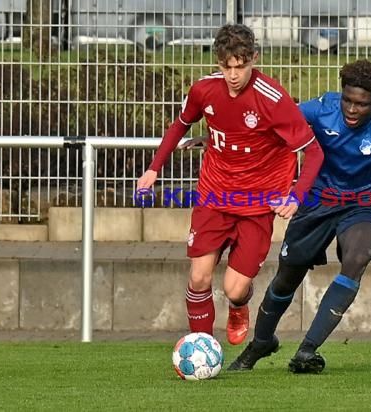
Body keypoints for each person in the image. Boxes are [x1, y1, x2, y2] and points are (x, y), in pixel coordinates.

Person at [227, 59, 371, 373]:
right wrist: (218, 143)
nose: (351, 109)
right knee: (287, 277)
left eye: (361, 104)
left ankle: (307, 350)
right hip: (317, 201)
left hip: (364, 205)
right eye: (347, 99)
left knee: (358, 256)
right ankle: (262, 342)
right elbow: (272, 122)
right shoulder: (321, 109)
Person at [136, 24, 324, 346]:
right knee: (198, 277)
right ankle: (203, 347)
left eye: (241, 66)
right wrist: (154, 170)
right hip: (214, 194)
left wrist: (295, 196)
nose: (233, 74)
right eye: (226, 66)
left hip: (258, 202)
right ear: (218, 62)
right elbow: (179, 126)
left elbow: (314, 151)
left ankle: (239, 306)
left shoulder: (273, 99)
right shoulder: (204, 90)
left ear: (254, 58)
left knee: (234, 288)